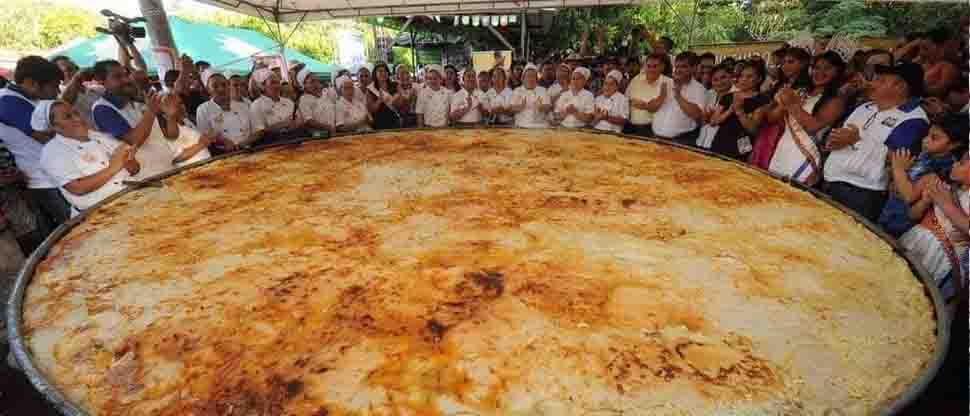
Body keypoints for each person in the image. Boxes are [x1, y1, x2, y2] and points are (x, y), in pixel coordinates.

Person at [823, 62, 930, 222]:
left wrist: (856, 140)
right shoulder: (865, 107)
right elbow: (839, 137)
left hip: (862, 194)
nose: (872, 84)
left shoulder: (913, 119)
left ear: (901, 87)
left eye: (880, 80)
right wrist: (833, 141)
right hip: (832, 181)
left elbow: (898, 159)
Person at [0, 56, 72, 227]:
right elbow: (46, 136)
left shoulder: (29, 98)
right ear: (31, 83)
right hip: (45, 180)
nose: (57, 92)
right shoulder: (7, 101)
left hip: (57, 175)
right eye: (54, 86)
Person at [35, 100, 139, 217]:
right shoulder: (52, 152)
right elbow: (78, 188)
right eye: (68, 117)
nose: (78, 119)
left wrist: (128, 161)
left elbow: (134, 168)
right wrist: (113, 168)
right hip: (100, 214)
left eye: (76, 113)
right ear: (54, 127)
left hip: (133, 197)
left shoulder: (97, 136)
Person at [898, 154, 969, 316]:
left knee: (921, 303)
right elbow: (912, 215)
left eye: (963, 163)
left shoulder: (945, 194)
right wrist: (925, 202)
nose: (955, 164)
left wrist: (944, 202)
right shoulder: (946, 188)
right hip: (915, 242)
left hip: (942, 259)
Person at [767, 51, 848, 185]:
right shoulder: (801, 92)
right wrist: (782, 101)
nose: (820, 72)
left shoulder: (836, 100)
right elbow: (772, 118)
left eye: (827, 68)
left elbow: (813, 126)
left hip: (805, 157)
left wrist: (791, 104)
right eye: (816, 68)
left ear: (837, 71)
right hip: (782, 152)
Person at [881, 113, 967, 238]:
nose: (925, 140)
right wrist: (898, 177)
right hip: (890, 211)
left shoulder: (944, 169)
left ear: (954, 144)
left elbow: (909, 195)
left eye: (934, 138)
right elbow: (905, 180)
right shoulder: (926, 154)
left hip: (903, 225)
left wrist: (898, 169)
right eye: (927, 135)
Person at [91, 59, 172, 179]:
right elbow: (133, 140)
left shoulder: (135, 100)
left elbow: (162, 132)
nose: (125, 80)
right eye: (117, 77)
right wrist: (151, 112)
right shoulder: (102, 109)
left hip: (166, 166)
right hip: (146, 177)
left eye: (125, 75)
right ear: (101, 81)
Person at [706, 61, 770, 161]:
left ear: (759, 79)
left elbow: (753, 129)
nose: (744, 79)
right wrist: (730, 111)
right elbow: (713, 121)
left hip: (742, 148)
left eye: (749, 76)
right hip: (720, 143)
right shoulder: (728, 96)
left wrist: (740, 111)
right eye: (741, 76)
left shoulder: (762, 99)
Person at [651, 52, 706, 145]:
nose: (678, 70)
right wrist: (661, 96)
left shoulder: (699, 89)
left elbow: (697, 114)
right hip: (656, 138)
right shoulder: (665, 83)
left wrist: (678, 95)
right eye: (676, 66)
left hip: (681, 141)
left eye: (683, 66)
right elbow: (651, 108)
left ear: (693, 68)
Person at [196, 71, 255, 152]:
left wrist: (245, 143)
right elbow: (204, 136)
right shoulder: (203, 109)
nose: (221, 89)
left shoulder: (243, 106)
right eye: (215, 86)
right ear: (208, 90)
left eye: (224, 85)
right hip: (223, 155)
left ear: (229, 86)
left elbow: (255, 130)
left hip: (249, 150)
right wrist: (221, 141)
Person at [156, 93, 214, 166]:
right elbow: (177, 158)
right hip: (193, 170)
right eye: (177, 105)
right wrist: (202, 144)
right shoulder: (167, 129)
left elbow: (197, 141)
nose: (182, 106)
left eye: (181, 102)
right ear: (166, 109)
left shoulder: (186, 121)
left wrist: (206, 137)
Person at [250, 68, 305, 143]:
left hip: (295, 139)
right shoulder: (256, 105)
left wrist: (296, 123)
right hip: (272, 144)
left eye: (277, 82)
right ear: (262, 86)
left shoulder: (288, 102)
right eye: (272, 83)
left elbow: (300, 120)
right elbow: (260, 131)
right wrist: (283, 124)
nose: (277, 86)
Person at [627, 53, 671, 137]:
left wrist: (645, 106)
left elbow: (657, 107)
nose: (651, 69)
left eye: (655, 66)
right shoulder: (636, 79)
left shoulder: (668, 83)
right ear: (644, 66)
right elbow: (626, 99)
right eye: (648, 66)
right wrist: (631, 102)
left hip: (653, 131)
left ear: (662, 67)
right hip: (631, 128)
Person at [696, 64, 736, 149]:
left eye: (723, 77)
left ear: (731, 77)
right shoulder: (709, 93)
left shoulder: (738, 96)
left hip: (724, 146)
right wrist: (705, 117)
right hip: (702, 142)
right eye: (715, 79)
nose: (720, 82)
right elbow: (703, 120)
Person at [917, 29, 959, 98]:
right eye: (920, 49)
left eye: (925, 48)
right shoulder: (924, 62)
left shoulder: (947, 67)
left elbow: (939, 90)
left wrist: (914, 86)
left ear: (940, 48)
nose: (921, 53)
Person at [295, 68, 335, 137]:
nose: (316, 84)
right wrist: (328, 128)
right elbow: (309, 121)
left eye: (317, 81)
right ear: (304, 85)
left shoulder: (325, 94)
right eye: (312, 82)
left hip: (333, 133)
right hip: (318, 136)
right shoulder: (304, 100)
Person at [509, 64, 551, 129]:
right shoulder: (517, 91)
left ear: (536, 79)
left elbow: (548, 107)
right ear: (523, 79)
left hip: (540, 126)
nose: (531, 79)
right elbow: (511, 109)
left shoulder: (542, 90)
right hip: (521, 126)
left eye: (533, 76)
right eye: (528, 76)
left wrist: (541, 107)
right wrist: (520, 107)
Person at [367, 63, 400, 130]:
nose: (383, 73)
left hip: (395, 121)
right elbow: (371, 110)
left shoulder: (395, 85)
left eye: (385, 71)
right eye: (380, 71)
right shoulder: (370, 89)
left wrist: (396, 99)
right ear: (375, 74)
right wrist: (379, 100)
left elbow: (400, 105)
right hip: (379, 123)